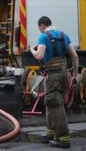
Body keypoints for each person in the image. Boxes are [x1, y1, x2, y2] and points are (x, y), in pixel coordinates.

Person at [29, 16, 79, 149]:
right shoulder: (64, 35)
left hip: (52, 74)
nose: (39, 30)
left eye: (39, 27)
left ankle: (63, 138)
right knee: (51, 101)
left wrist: (32, 50)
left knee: (56, 104)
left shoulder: (43, 37)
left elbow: (39, 56)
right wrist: (74, 75)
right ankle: (51, 132)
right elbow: (74, 56)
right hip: (63, 72)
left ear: (42, 25)